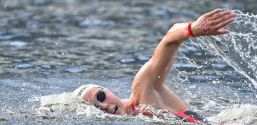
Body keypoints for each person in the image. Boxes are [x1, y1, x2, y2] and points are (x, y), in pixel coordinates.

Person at [73, 8, 236, 123]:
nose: (104, 106)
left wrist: (191, 29)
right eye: (96, 108)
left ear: (106, 89)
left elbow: (170, 38)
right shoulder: (137, 117)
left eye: (100, 97)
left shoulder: (142, 93)